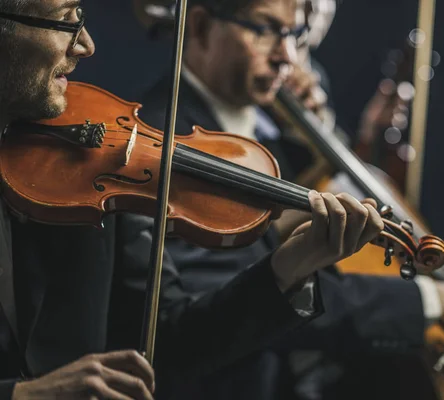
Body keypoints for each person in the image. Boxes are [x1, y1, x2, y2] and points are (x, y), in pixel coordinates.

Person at [0, 1, 386, 399]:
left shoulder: (91, 158)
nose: (86, 44)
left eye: (80, 18)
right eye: (64, 22)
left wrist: (291, 265)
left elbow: (167, 345)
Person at [130, 0, 444, 398]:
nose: (288, 56)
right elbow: (226, 303)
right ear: (198, 27)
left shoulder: (268, 129)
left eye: (294, 34)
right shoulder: (169, 147)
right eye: (265, 29)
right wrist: (423, 300)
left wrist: (319, 134)